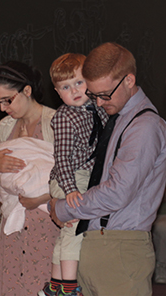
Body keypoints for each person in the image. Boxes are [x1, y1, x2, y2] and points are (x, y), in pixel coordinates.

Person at [50, 42, 166, 296]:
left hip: (120, 249)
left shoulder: (144, 126)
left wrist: (62, 207)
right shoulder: (117, 118)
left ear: (129, 80)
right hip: (96, 244)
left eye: (105, 94)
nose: (99, 103)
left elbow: (117, 193)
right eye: (93, 95)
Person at [0, 61, 59, 296]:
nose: (4, 108)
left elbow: (71, 177)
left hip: (46, 224)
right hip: (13, 226)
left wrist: (42, 197)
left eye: (8, 100)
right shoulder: (5, 127)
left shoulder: (55, 122)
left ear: (27, 90)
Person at [39, 54, 107, 296]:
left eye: (79, 82)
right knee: (76, 228)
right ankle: (68, 288)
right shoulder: (65, 117)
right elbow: (62, 159)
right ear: (58, 93)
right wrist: (70, 190)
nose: (75, 91)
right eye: (66, 87)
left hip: (84, 177)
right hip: (70, 178)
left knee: (67, 231)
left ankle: (55, 286)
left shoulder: (97, 110)